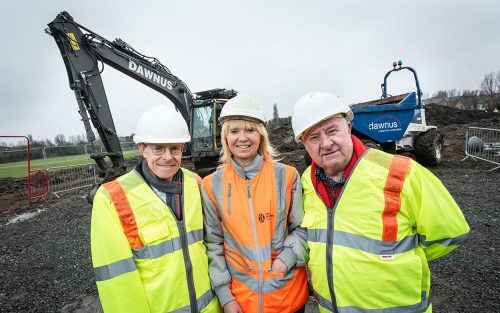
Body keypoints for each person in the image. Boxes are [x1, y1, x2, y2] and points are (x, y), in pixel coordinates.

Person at [291, 91, 470, 313]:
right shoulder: (306, 182)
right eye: (313, 137)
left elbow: (450, 233)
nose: (326, 143)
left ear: (348, 128)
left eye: (332, 130)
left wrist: (397, 260)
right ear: (304, 144)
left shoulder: (400, 172)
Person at [91, 105, 219, 313]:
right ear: (143, 148)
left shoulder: (195, 184)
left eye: (175, 148)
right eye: (158, 148)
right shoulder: (113, 197)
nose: (168, 157)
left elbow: (212, 246)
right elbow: (116, 280)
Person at [202, 95, 309, 313]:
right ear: (225, 137)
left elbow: (303, 228)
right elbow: (213, 244)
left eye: (249, 130)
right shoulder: (211, 185)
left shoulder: (286, 176)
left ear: (261, 135)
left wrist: (286, 260)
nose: (242, 138)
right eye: (234, 131)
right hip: (242, 302)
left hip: (287, 299)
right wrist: (226, 297)